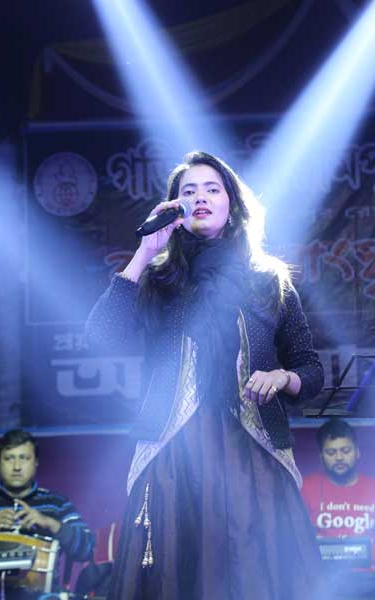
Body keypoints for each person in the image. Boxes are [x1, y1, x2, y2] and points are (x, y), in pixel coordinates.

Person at [86, 151, 325, 600]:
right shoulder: (160, 280)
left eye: (212, 189)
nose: (200, 198)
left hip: (252, 453)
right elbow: (99, 336)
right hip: (172, 455)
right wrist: (144, 253)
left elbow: (311, 370)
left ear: (232, 204)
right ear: (174, 207)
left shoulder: (268, 281)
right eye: (189, 191)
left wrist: (281, 378)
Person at [0, 428, 95, 598]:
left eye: (24, 458)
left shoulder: (57, 503)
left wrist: (50, 523)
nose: (17, 467)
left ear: (36, 462)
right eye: (9, 458)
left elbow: (88, 549)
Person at [302, 419, 375, 564]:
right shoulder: (306, 488)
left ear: (357, 452)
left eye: (346, 451)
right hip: (323, 574)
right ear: (321, 457)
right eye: (331, 452)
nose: (339, 458)